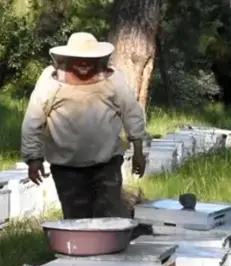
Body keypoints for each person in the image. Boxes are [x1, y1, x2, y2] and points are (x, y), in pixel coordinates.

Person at [20, 32, 147, 219]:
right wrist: (33, 158)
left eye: (89, 59)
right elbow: (33, 120)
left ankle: (108, 248)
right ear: (69, 57)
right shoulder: (51, 80)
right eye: (79, 59)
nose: (84, 63)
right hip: (66, 167)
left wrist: (138, 150)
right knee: (76, 221)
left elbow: (132, 113)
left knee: (109, 218)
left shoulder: (113, 79)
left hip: (106, 164)